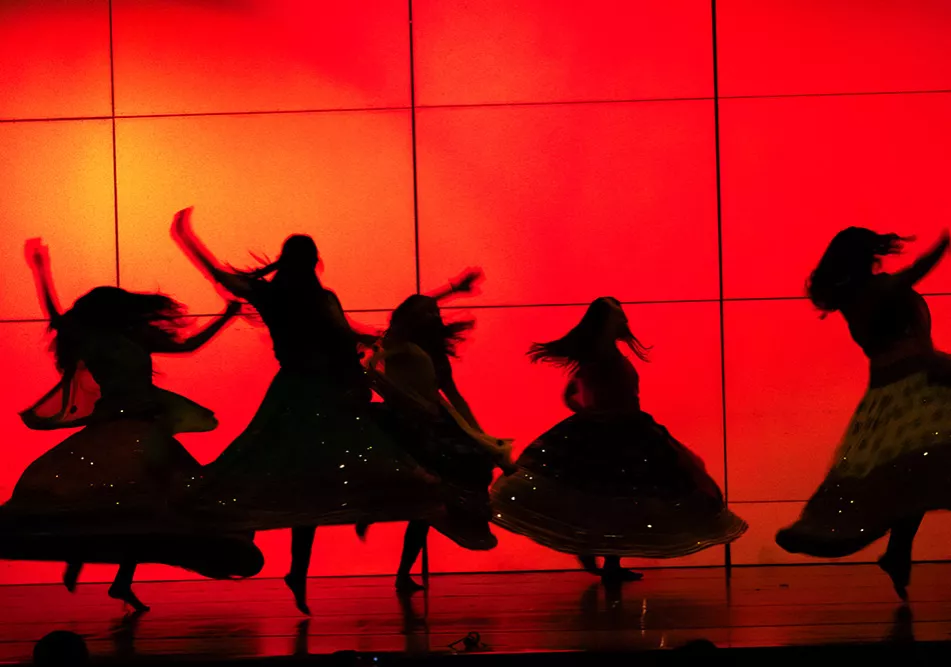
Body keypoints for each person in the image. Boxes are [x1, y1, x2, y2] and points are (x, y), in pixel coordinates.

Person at [171, 207, 445, 615]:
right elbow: (345, 335)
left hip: (302, 392)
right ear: (315, 262)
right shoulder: (316, 298)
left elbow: (220, 276)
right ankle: (297, 566)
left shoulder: (275, 295)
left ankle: (285, 563)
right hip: (324, 394)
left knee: (288, 478)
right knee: (316, 482)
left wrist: (187, 239)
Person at [0, 240, 263, 613]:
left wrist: (227, 315)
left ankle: (117, 578)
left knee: (148, 506)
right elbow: (58, 318)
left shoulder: (131, 339)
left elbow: (188, 346)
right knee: (137, 503)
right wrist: (40, 271)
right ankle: (89, 559)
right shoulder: (93, 342)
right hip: (122, 431)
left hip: (145, 429)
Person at [491, 297, 747, 584]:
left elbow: (576, 394)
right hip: (613, 429)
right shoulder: (600, 357)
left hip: (625, 426)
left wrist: (594, 413)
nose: (624, 322)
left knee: (619, 497)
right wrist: (595, 415)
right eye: (618, 318)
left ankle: (607, 559)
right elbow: (575, 394)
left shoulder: (603, 356)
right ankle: (596, 553)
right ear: (605, 323)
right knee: (607, 495)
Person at [777, 228, 951, 601]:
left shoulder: (852, 298)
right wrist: (943, 245)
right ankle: (898, 551)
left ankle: (899, 551)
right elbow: (912, 276)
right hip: (915, 384)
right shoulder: (870, 293)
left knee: (913, 473)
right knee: (917, 472)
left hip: (903, 384)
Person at [361, 270, 514, 592]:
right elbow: (407, 316)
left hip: (434, 421)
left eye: (434, 312)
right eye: (426, 312)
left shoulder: (432, 353)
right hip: (407, 424)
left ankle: (403, 573)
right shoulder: (397, 341)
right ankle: (391, 550)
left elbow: (453, 395)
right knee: (423, 495)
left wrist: (478, 433)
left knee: (433, 500)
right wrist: (451, 290)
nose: (432, 315)